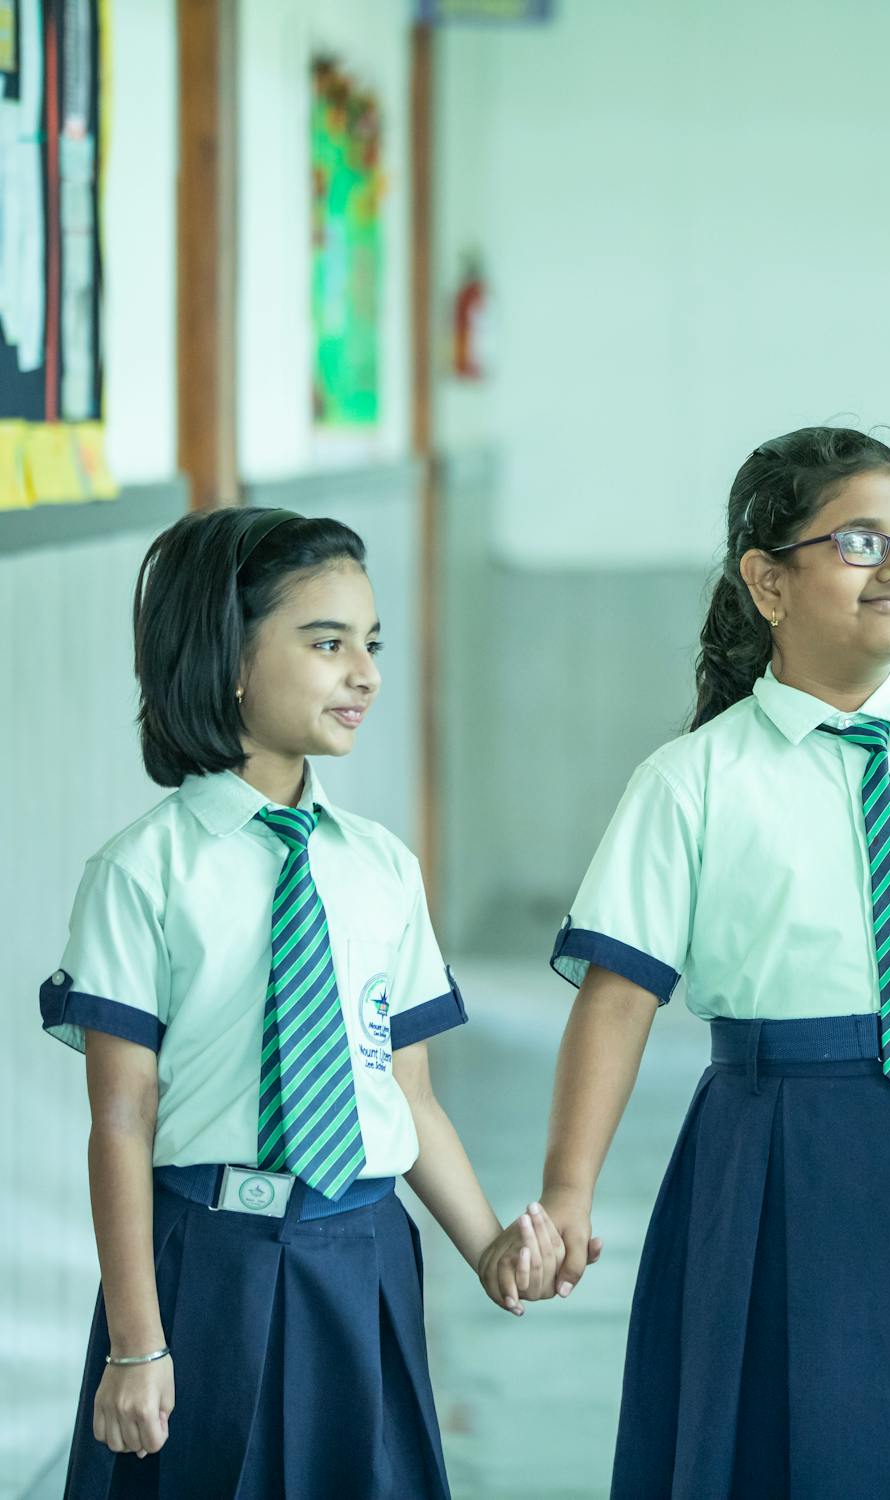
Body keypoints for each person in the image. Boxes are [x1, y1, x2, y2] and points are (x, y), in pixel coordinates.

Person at [534, 427, 890, 1497]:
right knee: (809, 1443)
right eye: (858, 541)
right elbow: (616, 1004)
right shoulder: (692, 780)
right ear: (767, 580)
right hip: (788, 1152)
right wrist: (568, 1194)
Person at [44, 506, 555, 1499]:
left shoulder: (381, 869)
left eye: (370, 644)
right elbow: (119, 1121)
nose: (364, 673)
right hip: (204, 1262)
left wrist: (488, 1245)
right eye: (326, 644)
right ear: (230, 658)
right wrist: (138, 1345)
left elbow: (413, 1099)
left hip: (360, 1257)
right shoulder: (142, 874)